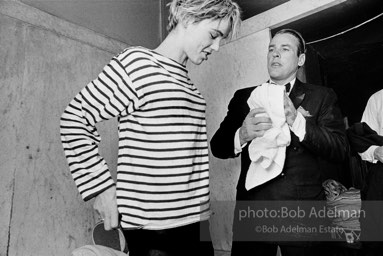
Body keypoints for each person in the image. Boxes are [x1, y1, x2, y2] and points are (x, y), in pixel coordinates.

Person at [60, 1, 241, 255]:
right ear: (188, 18)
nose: (217, 47)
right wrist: (101, 189)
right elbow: (74, 118)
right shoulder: (137, 63)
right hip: (153, 232)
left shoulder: (188, 85)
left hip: (198, 225)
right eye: (213, 35)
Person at [210, 28, 348, 256]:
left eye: (285, 49)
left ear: (301, 59)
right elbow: (218, 146)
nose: (275, 54)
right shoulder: (243, 97)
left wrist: (298, 122)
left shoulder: (322, 96)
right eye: (271, 49)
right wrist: (241, 134)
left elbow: (340, 149)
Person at [347, 89, 383, 255]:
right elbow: (361, 139)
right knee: (375, 237)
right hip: (381, 177)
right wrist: (376, 151)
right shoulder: (377, 99)